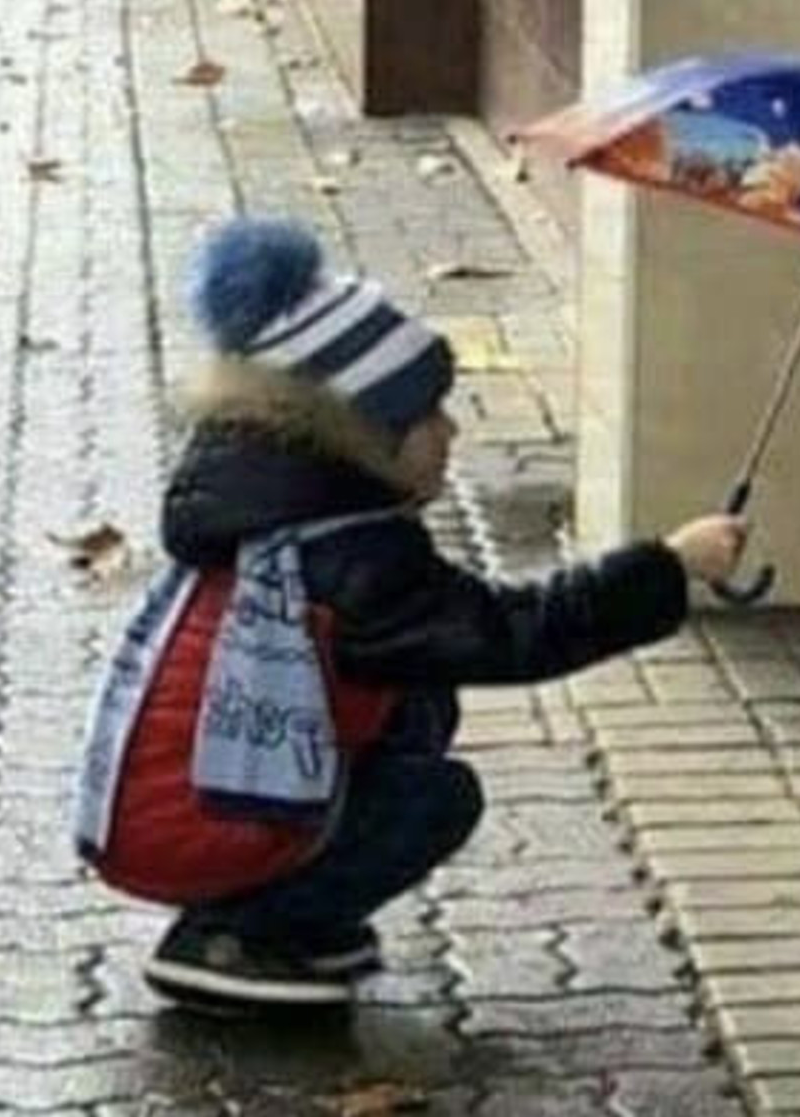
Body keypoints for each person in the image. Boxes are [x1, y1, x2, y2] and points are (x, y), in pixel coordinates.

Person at [74, 218, 748, 1010]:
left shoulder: (277, 522)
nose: (452, 433)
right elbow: (515, 631)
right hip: (192, 821)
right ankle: (242, 933)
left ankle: (279, 914)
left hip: (164, 808)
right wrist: (671, 567)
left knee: (418, 699)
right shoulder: (350, 562)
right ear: (369, 435)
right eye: (430, 417)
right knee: (436, 796)